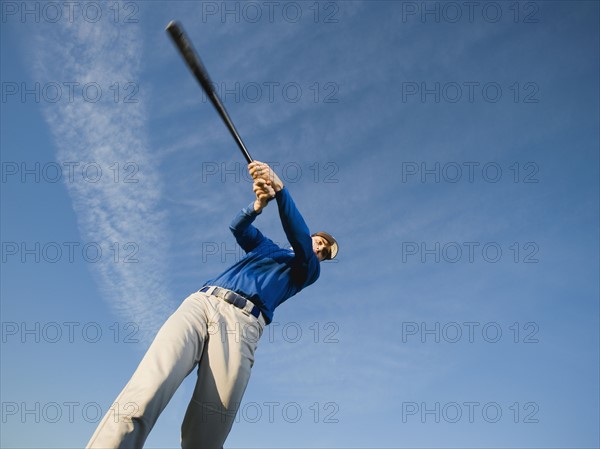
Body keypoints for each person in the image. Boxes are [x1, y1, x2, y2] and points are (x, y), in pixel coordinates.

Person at [86, 161, 338, 449]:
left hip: (241, 326)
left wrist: (280, 191)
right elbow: (238, 227)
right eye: (319, 242)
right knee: (146, 389)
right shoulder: (267, 248)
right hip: (202, 302)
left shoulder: (306, 270)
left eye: (324, 252)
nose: (319, 248)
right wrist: (257, 205)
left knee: (207, 431)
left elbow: (300, 239)